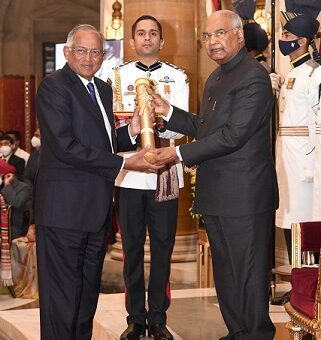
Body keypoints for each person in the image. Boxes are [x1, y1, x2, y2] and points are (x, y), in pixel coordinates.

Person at [146, 10, 279, 340]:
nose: (212, 42)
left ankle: (256, 334)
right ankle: (238, 332)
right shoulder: (217, 77)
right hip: (217, 194)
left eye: (219, 34)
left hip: (245, 196)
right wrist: (170, 112)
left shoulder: (254, 77)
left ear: (238, 36)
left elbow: (233, 136)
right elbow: (206, 128)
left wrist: (176, 153)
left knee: (248, 275)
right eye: (207, 36)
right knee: (227, 275)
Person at [34, 24, 159, 340]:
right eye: (81, 50)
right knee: (61, 299)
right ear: (67, 53)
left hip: (96, 211)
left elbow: (102, 144)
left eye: (95, 52)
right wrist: (124, 162)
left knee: (87, 296)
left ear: (103, 56)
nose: (88, 58)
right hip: (63, 212)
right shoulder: (54, 87)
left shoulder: (102, 89)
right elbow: (66, 145)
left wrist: (129, 131)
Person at [107, 15, 189, 340]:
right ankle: (134, 319)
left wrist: (158, 118)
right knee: (131, 249)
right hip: (129, 173)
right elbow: (111, 130)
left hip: (165, 173)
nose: (147, 38)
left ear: (161, 40)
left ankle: (158, 318)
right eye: (140, 33)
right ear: (132, 41)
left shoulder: (177, 78)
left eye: (153, 33)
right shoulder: (116, 77)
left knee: (163, 247)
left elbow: (183, 126)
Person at [271, 12, 320, 299]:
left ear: (302, 41)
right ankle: (297, 286)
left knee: (303, 223)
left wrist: (311, 164)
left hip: (304, 160)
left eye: (288, 37)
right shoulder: (290, 74)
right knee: (289, 221)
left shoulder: (315, 74)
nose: (283, 40)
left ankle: (309, 289)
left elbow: (316, 123)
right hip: (285, 157)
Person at [0, 160, 31, 240]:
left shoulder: (24, 188)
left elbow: (16, 203)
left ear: (7, 175)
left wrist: (7, 185)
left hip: (13, 228)